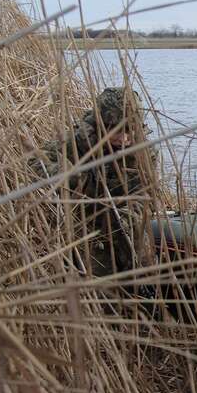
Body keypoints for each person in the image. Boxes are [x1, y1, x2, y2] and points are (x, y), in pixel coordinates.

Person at [62, 86, 157, 281]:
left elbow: (147, 194)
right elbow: (36, 162)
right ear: (101, 125)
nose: (124, 138)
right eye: (116, 132)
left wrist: (128, 216)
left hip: (127, 224)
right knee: (99, 281)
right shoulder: (80, 141)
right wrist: (73, 179)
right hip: (89, 227)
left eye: (130, 130)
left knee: (146, 275)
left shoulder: (144, 152)